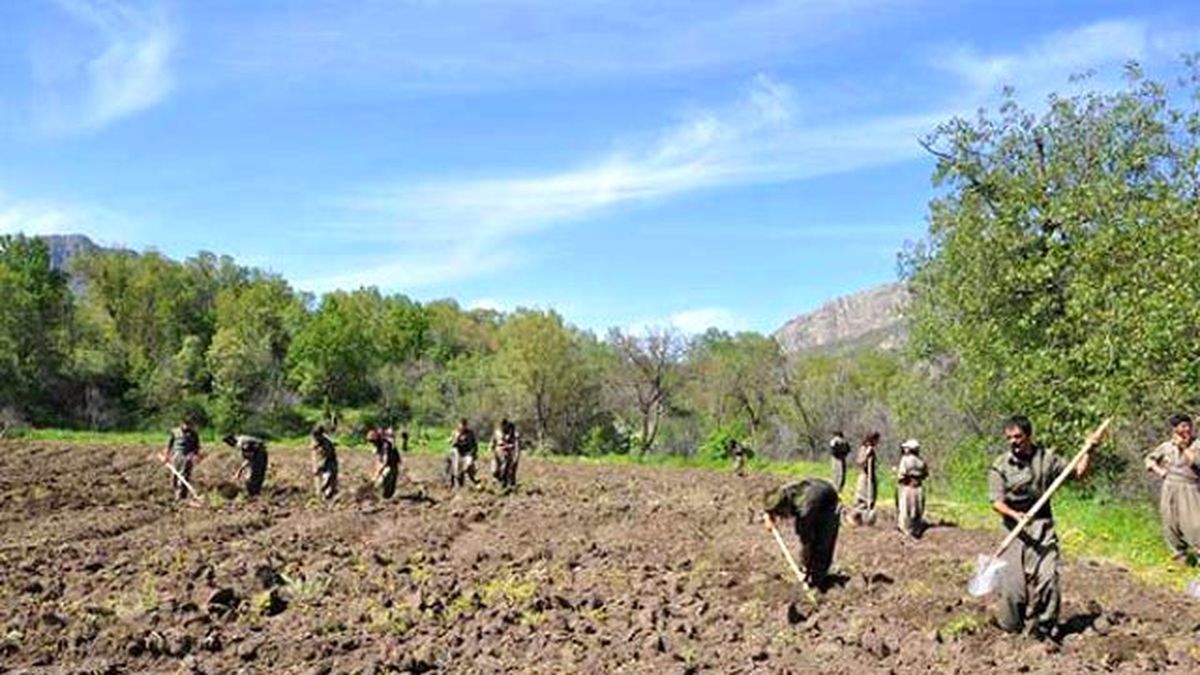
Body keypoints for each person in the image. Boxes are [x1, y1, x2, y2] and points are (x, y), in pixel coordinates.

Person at [988, 415, 1101, 638]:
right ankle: (1011, 627)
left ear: (1028, 436)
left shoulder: (1047, 459)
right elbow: (996, 502)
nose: (1013, 441)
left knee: (1049, 579)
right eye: (1009, 438)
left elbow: (1078, 473)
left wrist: (1089, 450)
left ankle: (1044, 627)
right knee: (1013, 590)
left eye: (1018, 437)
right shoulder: (1000, 465)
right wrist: (1015, 515)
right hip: (1013, 530)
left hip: (1042, 527)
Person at [762, 478, 841, 588]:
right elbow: (771, 502)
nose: (781, 518)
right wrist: (768, 515)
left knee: (822, 543)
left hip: (829, 503)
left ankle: (817, 579)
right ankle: (806, 569)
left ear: (786, 508)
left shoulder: (805, 511)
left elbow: (806, 539)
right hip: (814, 492)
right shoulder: (783, 493)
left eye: (781, 514)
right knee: (807, 541)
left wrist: (807, 565)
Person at [1144, 413, 1200, 563]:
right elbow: (1149, 459)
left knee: (1195, 524)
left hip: (1190, 488)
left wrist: (1183, 447)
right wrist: (1159, 471)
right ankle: (1180, 557)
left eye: (1187, 426)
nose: (1185, 431)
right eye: (1181, 427)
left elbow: (1197, 461)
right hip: (1170, 486)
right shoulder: (1167, 446)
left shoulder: (1197, 445)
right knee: (1170, 521)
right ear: (1174, 430)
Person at [162, 418, 202, 500]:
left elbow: (197, 447)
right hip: (176, 455)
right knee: (175, 475)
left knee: (184, 475)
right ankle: (176, 491)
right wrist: (166, 456)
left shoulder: (193, 434)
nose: (186, 426)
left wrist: (195, 455)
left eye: (189, 424)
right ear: (181, 424)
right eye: (185, 424)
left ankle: (181, 496)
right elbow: (169, 444)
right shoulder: (175, 432)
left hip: (187, 456)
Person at [895, 438, 928, 538]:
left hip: (908, 488)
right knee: (917, 510)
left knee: (906, 510)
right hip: (919, 489)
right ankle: (916, 530)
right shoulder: (921, 462)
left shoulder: (905, 460)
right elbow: (925, 474)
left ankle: (906, 531)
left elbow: (901, 475)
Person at [850, 432, 880, 525]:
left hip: (871, 477)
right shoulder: (863, 449)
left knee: (871, 496)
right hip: (864, 476)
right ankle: (856, 517)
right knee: (862, 497)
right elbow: (860, 462)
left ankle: (867, 518)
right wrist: (867, 454)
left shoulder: (872, 450)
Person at [368, 428, 401, 499]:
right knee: (379, 482)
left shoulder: (386, 445)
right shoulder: (377, 446)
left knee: (386, 480)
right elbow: (378, 460)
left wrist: (378, 472)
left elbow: (385, 461)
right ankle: (377, 495)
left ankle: (387, 496)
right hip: (386, 463)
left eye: (373, 441)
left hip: (392, 464)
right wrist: (375, 473)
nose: (373, 444)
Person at [490, 418, 521, 490]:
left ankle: (506, 483)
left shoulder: (513, 434)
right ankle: (499, 480)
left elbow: (516, 445)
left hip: (508, 453)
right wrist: (492, 449)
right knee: (495, 470)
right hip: (498, 452)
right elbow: (493, 442)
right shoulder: (497, 432)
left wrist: (515, 455)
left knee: (508, 469)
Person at [448, 418, 479, 488]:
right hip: (458, 453)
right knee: (456, 468)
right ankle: (453, 483)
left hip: (467, 453)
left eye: (464, 425)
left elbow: (474, 444)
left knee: (468, 466)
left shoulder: (470, 433)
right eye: (461, 425)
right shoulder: (455, 432)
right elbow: (453, 444)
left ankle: (472, 479)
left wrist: (474, 452)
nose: (463, 427)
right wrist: (457, 438)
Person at [311, 425, 338, 500]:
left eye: (317, 436)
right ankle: (319, 494)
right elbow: (314, 452)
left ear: (320, 435)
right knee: (320, 480)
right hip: (320, 461)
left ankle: (324, 494)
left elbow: (328, 456)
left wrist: (319, 467)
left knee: (329, 480)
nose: (315, 438)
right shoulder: (315, 441)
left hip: (330, 463)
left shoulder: (327, 443)